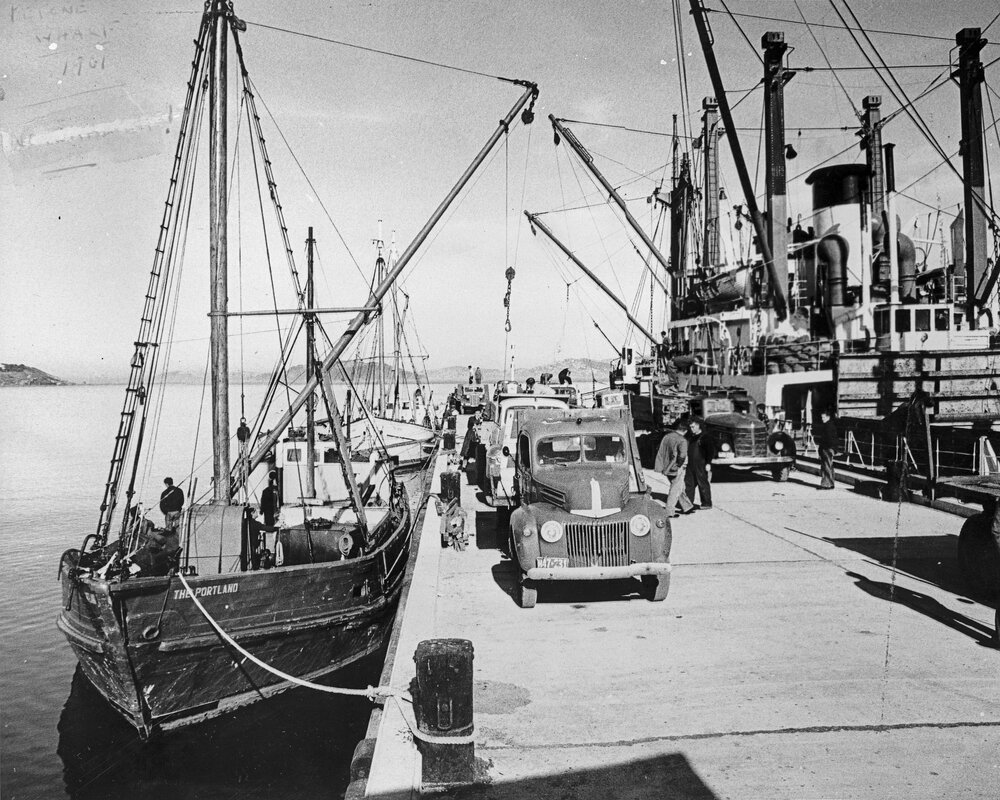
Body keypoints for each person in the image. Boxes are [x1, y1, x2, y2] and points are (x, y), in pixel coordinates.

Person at [654, 420, 695, 517]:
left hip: (666, 466)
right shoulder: (682, 440)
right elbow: (682, 456)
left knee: (680, 487)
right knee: (675, 489)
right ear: (685, 430)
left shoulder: (667, 436)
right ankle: (669, 511)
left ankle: (687, 507)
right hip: (677, 467)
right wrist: (679, 465)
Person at [685, 417, 715, 509]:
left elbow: (710, 451)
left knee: (702, 483)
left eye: (693, 427)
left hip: (701, 464)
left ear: (698, 425)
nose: (691, 429)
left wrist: (708, 463)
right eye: (690, 427)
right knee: (689, 484)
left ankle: (706, 503)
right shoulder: (690, 436)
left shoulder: (705, 437)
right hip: (690, 464)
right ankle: (688, 503)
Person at [815, 409, 838, 489]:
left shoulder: (827, 426)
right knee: (829, 466)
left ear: (828, 417)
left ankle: (826, 484)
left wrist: (824, 449)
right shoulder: (830, 425)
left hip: (827, 449)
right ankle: (831, 483)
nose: (822, 419)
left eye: (824, 417)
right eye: (821, 417)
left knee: (826, 466)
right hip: (830, 448)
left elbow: (827, 439)